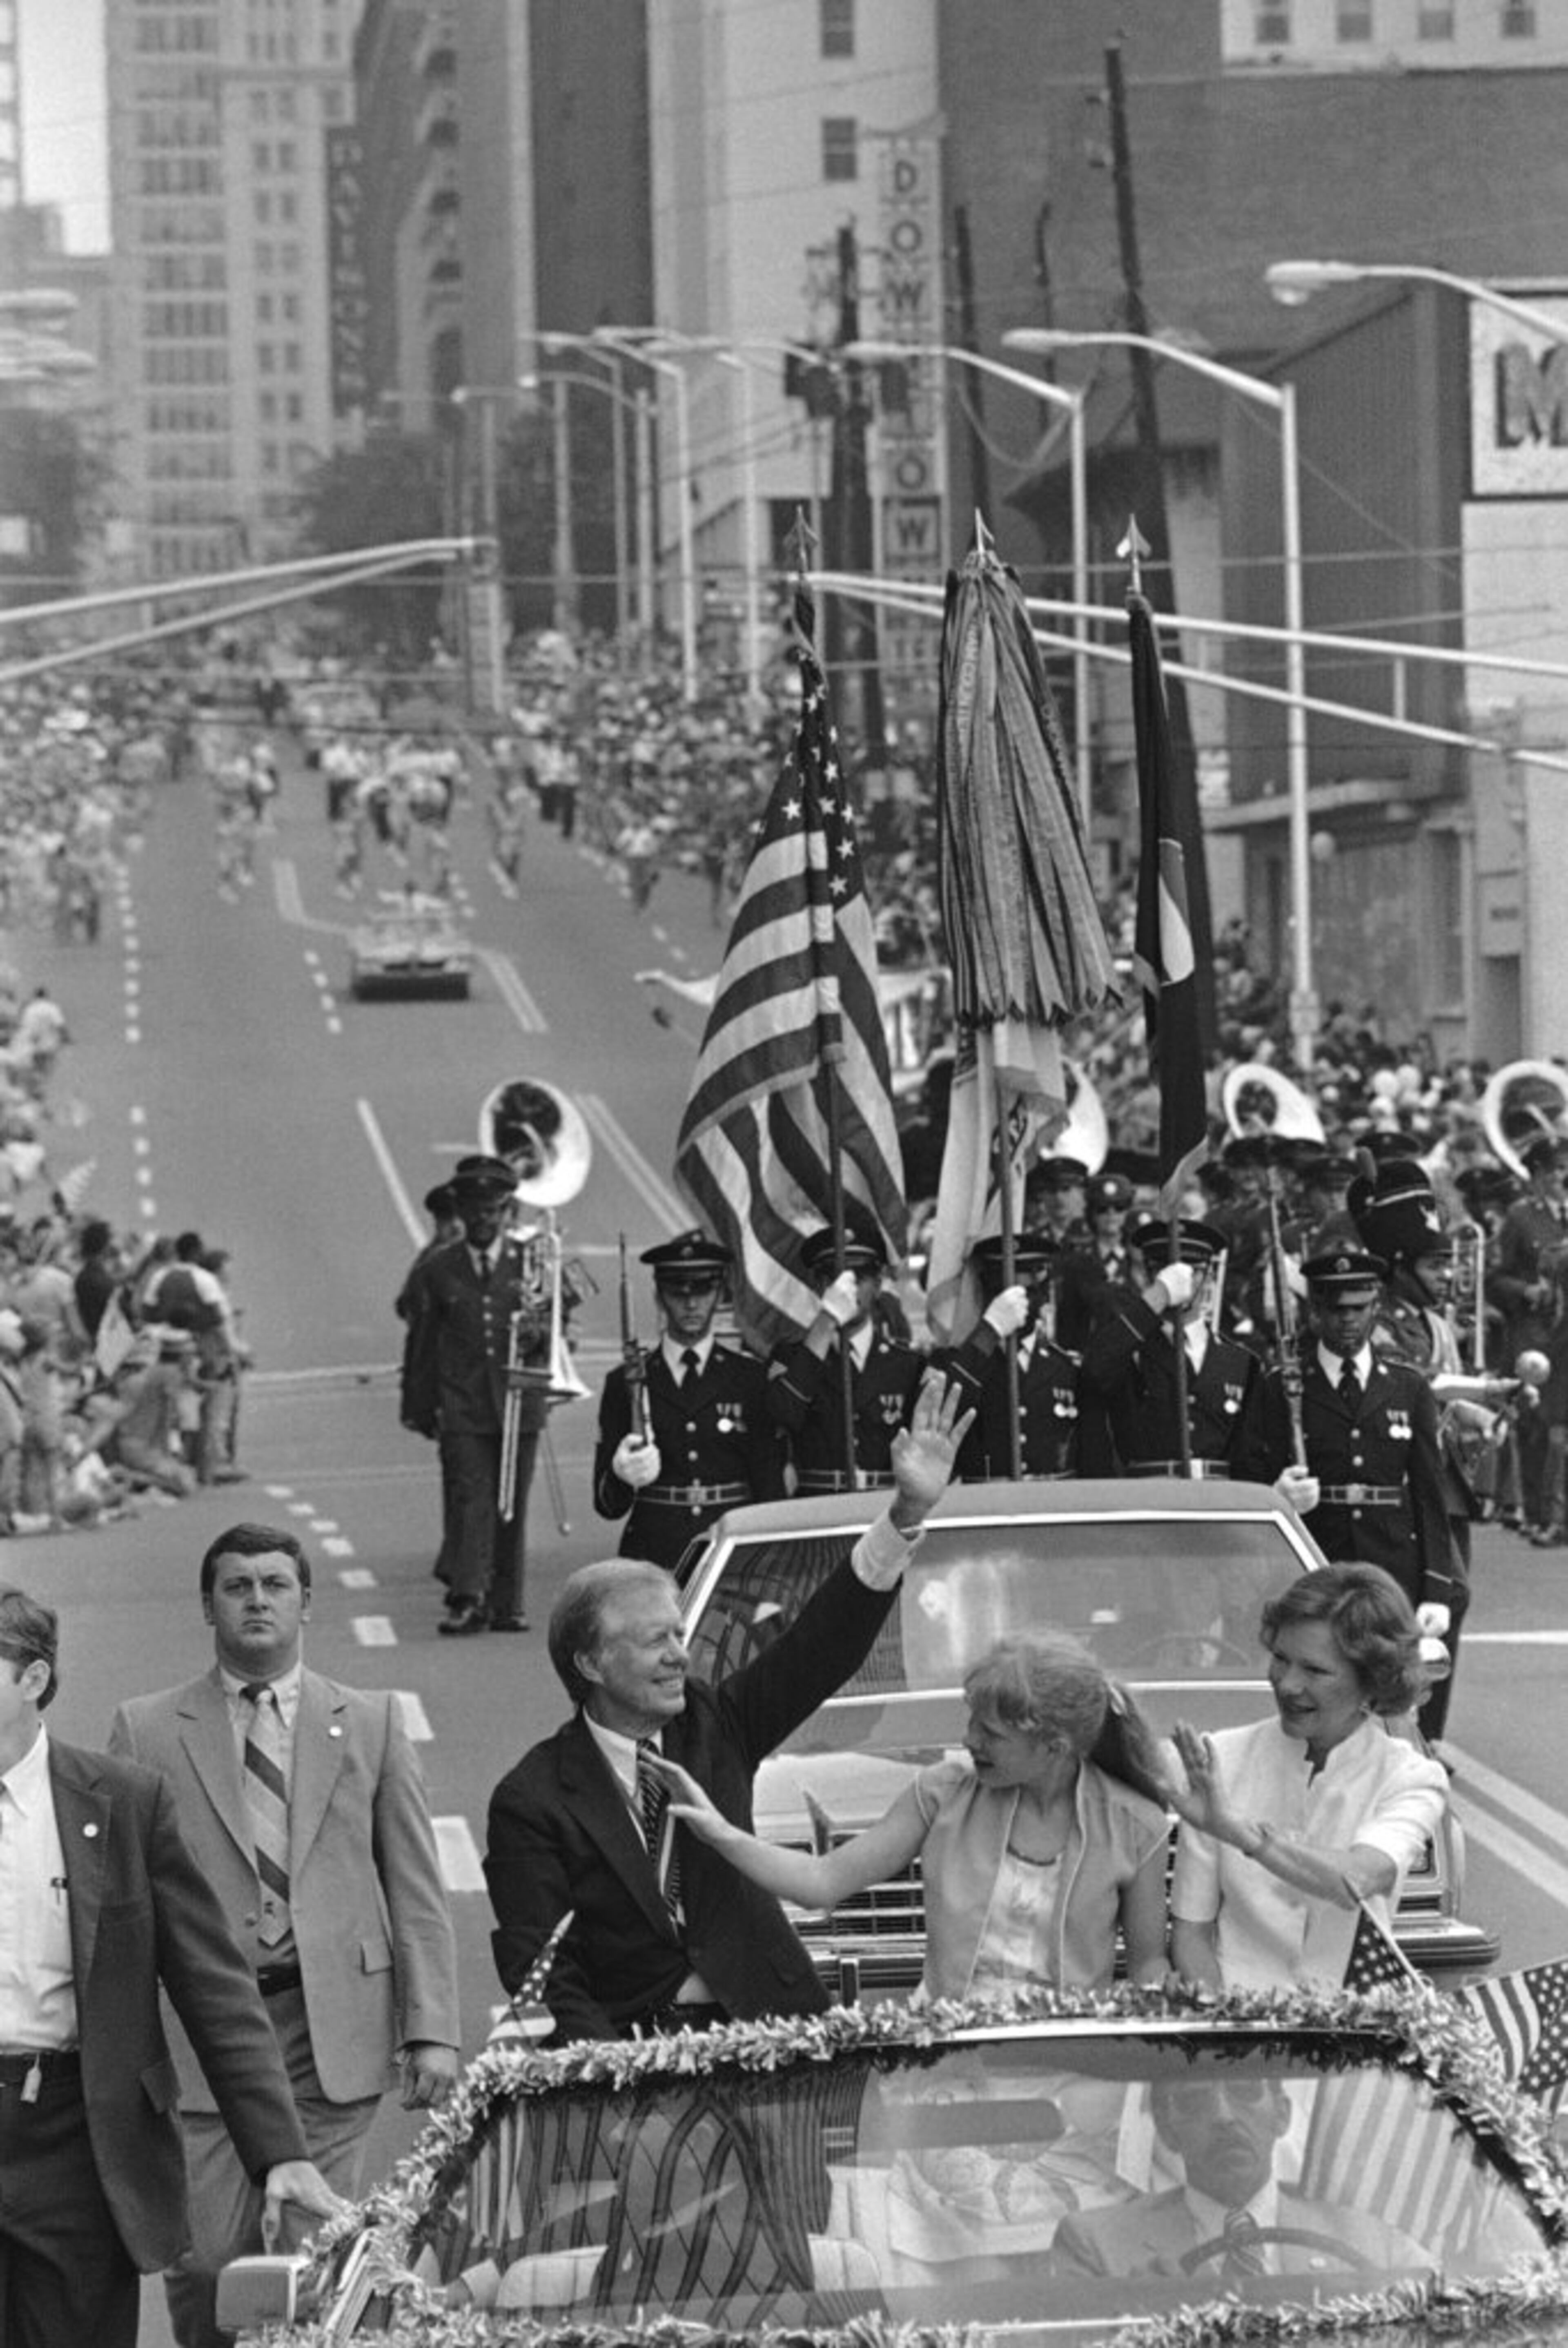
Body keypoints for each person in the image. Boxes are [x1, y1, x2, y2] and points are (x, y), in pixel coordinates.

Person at [485, 1374, 972, 2042]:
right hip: (636, 2054)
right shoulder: (533, 1799)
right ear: (592, 1662)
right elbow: (543, 1963)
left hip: (772, 2033)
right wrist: (604, 2080)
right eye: (656, 1640)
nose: (680, 1657)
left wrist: (905, 1514)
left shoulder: (720, 1723)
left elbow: (822, 1645)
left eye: (680, 1636)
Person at [109, 1521, 460, 2348]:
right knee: (207, 2262)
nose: (257, 1600)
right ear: (208, 1605)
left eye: (275, 1584)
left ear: (307, 1601)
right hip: (202, 2038)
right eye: (238, 1586)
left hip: (331, 2026)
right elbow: (117, 1908)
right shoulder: (149, 1728)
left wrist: (433, 2028)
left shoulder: (368, 1722)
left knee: (314, 2252)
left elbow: (415, 1886)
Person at [0, 1583, 338, 2348]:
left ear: (33, 1678)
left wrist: (277, 2151)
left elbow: (212, 1983)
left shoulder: (121, 1800)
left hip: (74, 2136)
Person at [655, 1628, 1172, 1998]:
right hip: (949, 2067)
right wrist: (721, 1833)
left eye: (991, 1733)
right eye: (972, 1721)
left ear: (1054, 1746)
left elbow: (1149, 1961)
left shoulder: (1137, 1824)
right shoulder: (943, 1791)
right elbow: (821, 1881)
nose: (968, 1740)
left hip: (1078, 2082)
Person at [1166, 1563, 1448, 1990]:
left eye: (1315, 1671)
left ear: (1373, 1681)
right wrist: (1228, 2023)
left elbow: (1359, 1878)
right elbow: (1191, 1932)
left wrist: (1242, 1834)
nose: (1288, 1684)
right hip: (1233, 2025)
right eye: (1281, 1659)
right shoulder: (1220, 1758)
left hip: (1353, 2027)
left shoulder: (1411, 1777)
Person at [1256, 1250, 1461, 1643]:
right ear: (1315, 1310)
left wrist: (1437, 1587)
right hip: (1315, 1557)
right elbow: (1252, 1471)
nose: (1347, 1319)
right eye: (1335, 1309)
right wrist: (1278, 1495)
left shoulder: (1408, 1387)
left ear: (1376, 1308)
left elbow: (1428, 1493)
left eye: (1359, 1308)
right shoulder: (1282, 1387)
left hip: (1391, 1564)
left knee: (1391, 1685)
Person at [1052, 2074, 1423, 2279]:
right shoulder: (1098, 2248)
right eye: (1195, 2098)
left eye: (1245, 2090)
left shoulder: (1372, 2244)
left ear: (1282, 2115)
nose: (1224, 2116)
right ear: (1166, 2129)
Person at [399, 1153, 552, 1634]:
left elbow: (559, 1330)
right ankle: (468, 1597)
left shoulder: (534, 1262)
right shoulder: (439, 1269)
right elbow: (422, 1342)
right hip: (464, 1406)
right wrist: (419, 1408)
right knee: (472, 1499)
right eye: (475, 1211)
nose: (484, 1220)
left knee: (512, 1504)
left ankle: (507, 1602)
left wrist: (545, 1316)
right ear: (461, 1213)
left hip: (517, 1403)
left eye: (493, 1210)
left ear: (506, 1211)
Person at [593, 1230, 782, 1572]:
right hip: (654, 1551)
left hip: (728, 1550)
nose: (691, 1304)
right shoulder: (627, 1381)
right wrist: (621, 1474)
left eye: (703, 1291)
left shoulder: (750, 1379)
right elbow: (608, 1505)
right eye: (678, 1292)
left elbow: (769, 1483)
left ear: (720, 1294)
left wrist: (770, 1560)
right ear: (659, 1297)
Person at [1076, 1219, 1268, 1480]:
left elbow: (1250, 1459)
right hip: (1153, 1503)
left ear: (1209, 1276)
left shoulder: (1240, 1362)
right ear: (1150, 1276)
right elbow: (1093, 1371)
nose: (1183, 1283)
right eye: (1165, 1272)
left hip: (1218, 1505)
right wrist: (1158, 1296)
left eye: (1193, 1272)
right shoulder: (1129, 1352)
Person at [768, 1215, 925, 1491]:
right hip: (819, 1508)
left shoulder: (907, 1364)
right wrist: (827, 1319)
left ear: (877, 1284)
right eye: (834, 1278)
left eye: (859, 1276)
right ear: (819, 1286)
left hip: (883, 1507)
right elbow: (784, 1414)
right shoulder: (792, 1357)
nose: (847, 1288)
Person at [938, 1235, 1081, 1481]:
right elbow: (943, 1415)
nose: (1019, 1302)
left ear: (1045, 1294)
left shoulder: (1064, 1367)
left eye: (1029, 1291)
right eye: (1005, 1293)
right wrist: (989, 1331)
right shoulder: (963, 1362)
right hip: (988, 1509)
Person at [1490, 1133, 1568, 1537]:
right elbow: (1495, 1278)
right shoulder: (1521, 1218)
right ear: (1537, 1173)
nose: (1564, 1176)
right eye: (1557, 1169)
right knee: (1538, 1425)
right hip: (1536, 1337)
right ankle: (1539, 1512)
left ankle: (1560, 1515)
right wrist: (1526, 1291)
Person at [1054, 1173, 1140, 1354]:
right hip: (1086, 1356)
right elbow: (1068, 1319)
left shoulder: (1138, 1259)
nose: (1111, 1215)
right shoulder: (1076, 1261)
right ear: (1092, 1213)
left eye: (1119, 1208)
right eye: (1102, 1209)